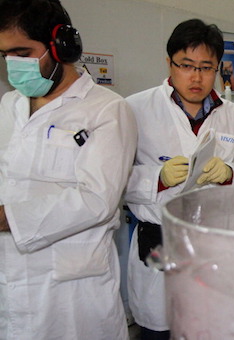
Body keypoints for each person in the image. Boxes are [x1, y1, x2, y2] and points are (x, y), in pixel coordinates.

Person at [0, 0, 137, 339]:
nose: (12, 66)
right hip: (11, 281)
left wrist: (6, 218)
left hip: (72, 293)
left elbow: (96, 200)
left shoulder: (107, 110)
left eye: (22, 52)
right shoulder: (9, 104)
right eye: (4, 56)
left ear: (61, 45)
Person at [124, 18, 234, 340]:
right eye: (186, 65)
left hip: (215, 245)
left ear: (218, 68)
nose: (196, 77)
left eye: (206, 67)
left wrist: (230, 174)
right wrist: (157, 177)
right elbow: (113, 179)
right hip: (160, 241)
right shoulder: (135, 108)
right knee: (159, 327)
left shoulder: (232, 114)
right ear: (169, 63)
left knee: (210, 327)